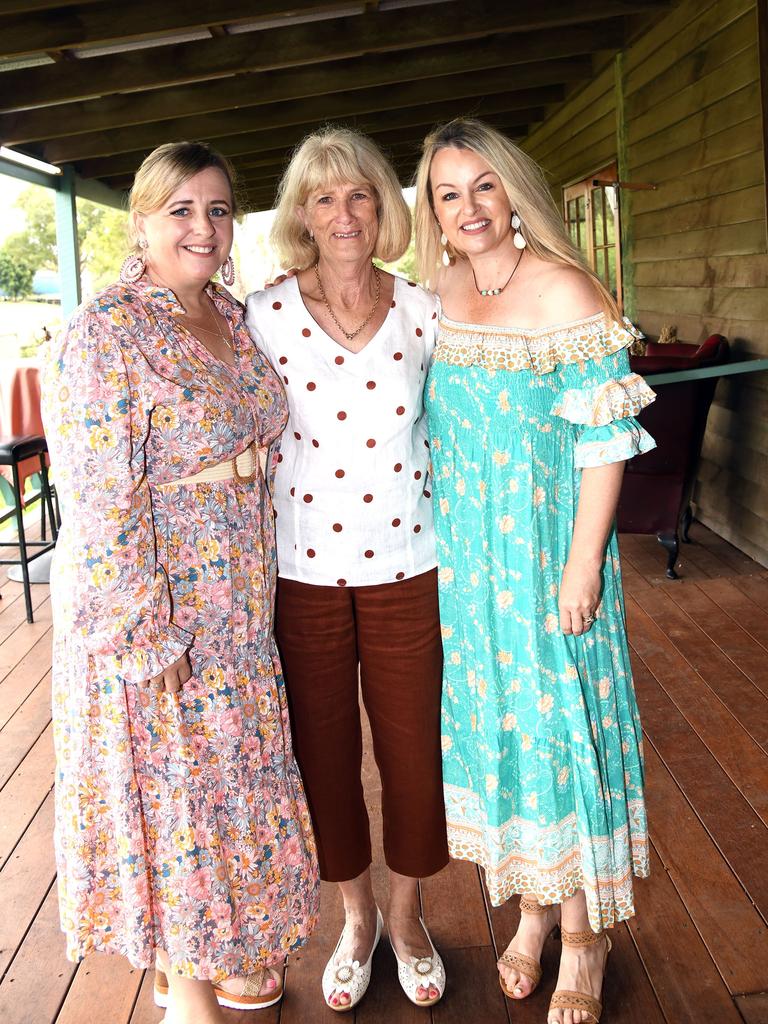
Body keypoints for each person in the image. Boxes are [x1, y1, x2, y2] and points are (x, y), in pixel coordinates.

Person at [41, 141, 318, 1024]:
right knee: (174, 786)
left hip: (237, 595)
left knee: (232, 777)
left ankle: (228, 948)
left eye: (221, 209)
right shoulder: (110, 329)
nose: (205, 227)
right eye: (182, 210)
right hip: (161, 598)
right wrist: (140, 627)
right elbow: (96, 496)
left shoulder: (231, 316)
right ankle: (186, 989)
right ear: (143, 221)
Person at [413, 118, 655, 1024]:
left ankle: (585, 939)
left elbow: (605, 442)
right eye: (448, 191)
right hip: (471, 571)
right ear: (432, 209)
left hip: (551, 560)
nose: (468, 206)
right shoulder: (437, 292)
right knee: (509, 739)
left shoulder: (565, 289)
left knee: (564, 738)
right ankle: (535, 912)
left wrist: (583, 565)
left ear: (512, 190)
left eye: (483, 185)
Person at [245, 126, 448, 1013]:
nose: (343, 213)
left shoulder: (424, 310)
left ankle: (408, 917)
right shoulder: (259, 314)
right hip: (302, 574)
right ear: (299, 214)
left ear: (384, 207)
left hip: (411, 564)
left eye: (360, 193)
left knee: (413, 752)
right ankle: (355, 917)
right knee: (322, 755)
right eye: (322, 197)